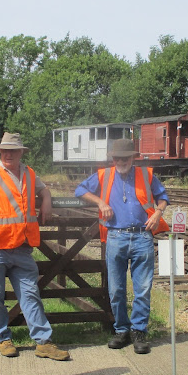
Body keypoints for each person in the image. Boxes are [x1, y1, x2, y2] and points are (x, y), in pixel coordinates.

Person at [0, 132, 70, 361]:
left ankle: (43, 343)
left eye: (13, 150)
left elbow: (43, 189)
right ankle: (2, 339)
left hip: (23, 246)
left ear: (21, 153)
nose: (8, 154)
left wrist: (46, 200)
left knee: (31, 295)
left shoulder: (29, 173)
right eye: (4, 150)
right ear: (0, 153)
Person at [75, 138, 169, 354]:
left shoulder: (146, 175)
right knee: (116, 289)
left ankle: (139, 332)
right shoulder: (104, 174)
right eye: (117, 158)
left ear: (133, 158)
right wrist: (100, 202)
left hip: (142, 236)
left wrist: (158, 212)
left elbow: (163, 197)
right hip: (115, 237)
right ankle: (121, 330)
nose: (121, 161)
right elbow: (79, 190)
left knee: (142, 290)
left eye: (125, 158)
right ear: (113, 158)